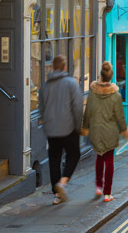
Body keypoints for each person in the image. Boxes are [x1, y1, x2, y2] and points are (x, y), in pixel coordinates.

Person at [81, 61, 128, 203]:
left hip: (96, 130)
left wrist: (85, 127)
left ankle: (98, 186)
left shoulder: (93, 92)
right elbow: (119, 116)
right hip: (110, 131)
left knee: (99, 157)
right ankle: (107, 193)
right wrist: (124, 130)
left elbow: (88, 112)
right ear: (111, 76)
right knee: (109, 160)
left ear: (101, 75)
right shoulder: (116, 95)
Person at [38, 55, 83, 205]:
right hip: (69, 128)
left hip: (51, 129)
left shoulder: (45, 86)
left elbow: (41, 109)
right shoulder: (71, 83)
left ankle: (57, 195)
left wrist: (46, 124)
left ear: (53, 67)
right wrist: (78, 126)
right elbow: (77, 107)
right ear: (64, 67)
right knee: (74, 154)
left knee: (54, 160)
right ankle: (62, 183)